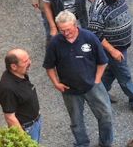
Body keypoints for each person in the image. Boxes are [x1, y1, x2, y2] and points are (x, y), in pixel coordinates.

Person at [43, 11, 114, 147]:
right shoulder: (55, 43)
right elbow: (49, 66)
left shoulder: (89, 37)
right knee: (76, 121)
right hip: (70, 90)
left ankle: (106, 143)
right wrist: (56, 83)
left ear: (75, 25)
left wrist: (97, 80)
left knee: (106, 116)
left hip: (93, 86)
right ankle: (82, 143)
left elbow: (102, 61)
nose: (65, 33)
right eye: (61, 30)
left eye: (68, 30)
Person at [88, 0, 133, 116]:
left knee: (111, 71)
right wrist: (113, 51)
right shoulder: (98, 7)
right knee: (124, 76)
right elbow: (95, 33)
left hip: (122, 46)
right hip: (113, 49)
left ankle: (101, 92)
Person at [0, 49, 42, 143]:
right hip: (26, 129)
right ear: (13, 66)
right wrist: (24, 140)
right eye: (25, 61)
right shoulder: (7, 88)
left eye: (29, 59)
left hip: (34, 123)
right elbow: (10, 117)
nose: (30, 62)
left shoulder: (20, 74)